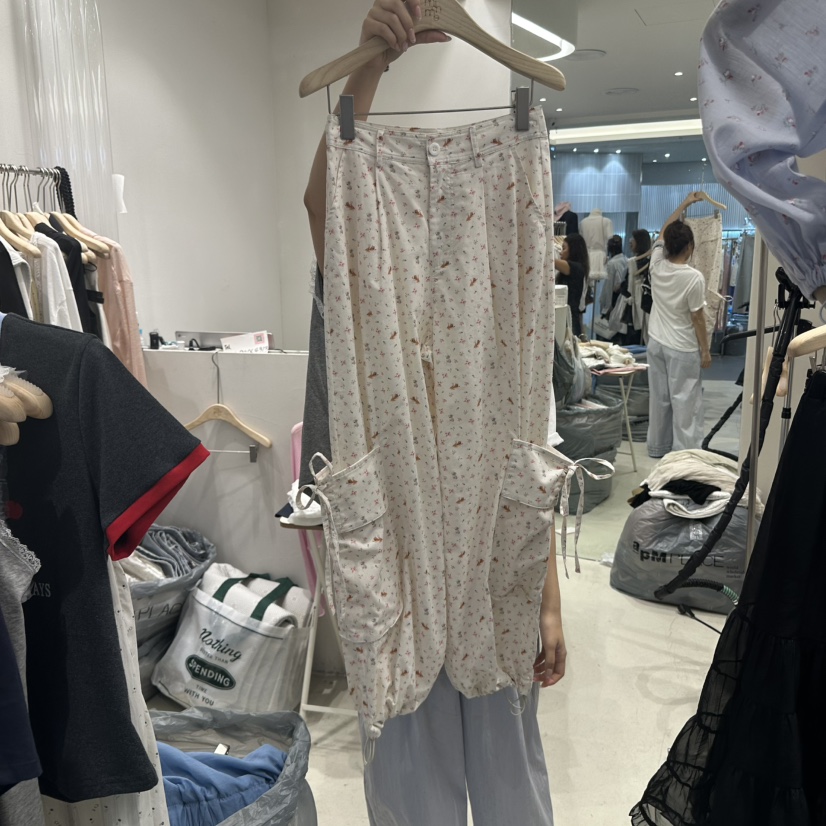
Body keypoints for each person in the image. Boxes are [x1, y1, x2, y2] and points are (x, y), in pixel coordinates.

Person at [303, 2, 565, 824]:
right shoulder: (357, 189)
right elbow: (320, 204)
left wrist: (549, 603)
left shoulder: (517, 170)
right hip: (398, 547)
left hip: (494, 559)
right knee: (409, 781)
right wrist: (370, 62)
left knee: (512, 783)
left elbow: (529, 452)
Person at [646, 192, 711, 459]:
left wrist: (684, 204)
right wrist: (705, 350)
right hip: (682, 347)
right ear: (690, 247)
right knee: (685, 402)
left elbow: (663, 231)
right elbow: (697, 318)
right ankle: (685, 456)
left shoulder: (656, 264)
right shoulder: (693, 278)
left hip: (656, 343)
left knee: (659, 399)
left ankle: (658, 449)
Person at [554, 232, 589, 338]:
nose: (560, 252)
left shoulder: (576, 268)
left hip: (569, 321)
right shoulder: (577, 268)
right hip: (567, 318)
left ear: (573, 250)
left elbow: (550, 261)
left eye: (564, 248)